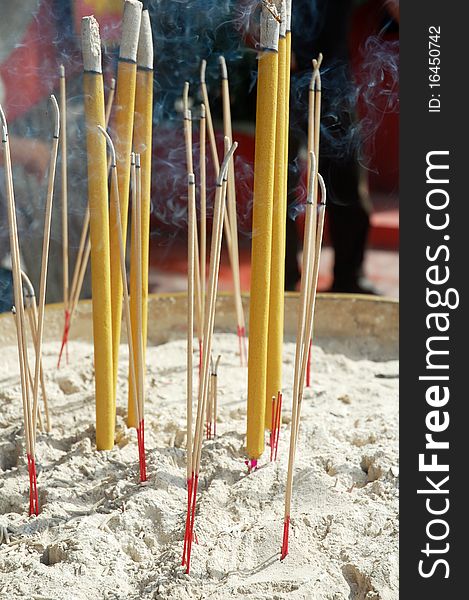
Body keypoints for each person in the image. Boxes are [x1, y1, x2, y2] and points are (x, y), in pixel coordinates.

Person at [285, 0, 398, 293]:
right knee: (279, 179)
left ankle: (350, 278)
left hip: (333, 72)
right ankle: (280, 278)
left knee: (346, 176)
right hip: (281, 69)